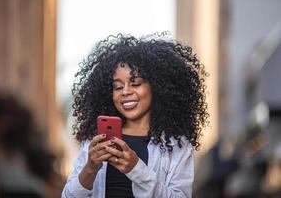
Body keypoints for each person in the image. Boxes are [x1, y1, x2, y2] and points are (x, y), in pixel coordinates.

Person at [62, 33, 209, 198]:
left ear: (157, 86)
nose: (125, 91)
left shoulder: (176, 145)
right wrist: (90, 168)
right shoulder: (96, 139)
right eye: (117, 87)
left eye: (135, 83)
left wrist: (135, 169)